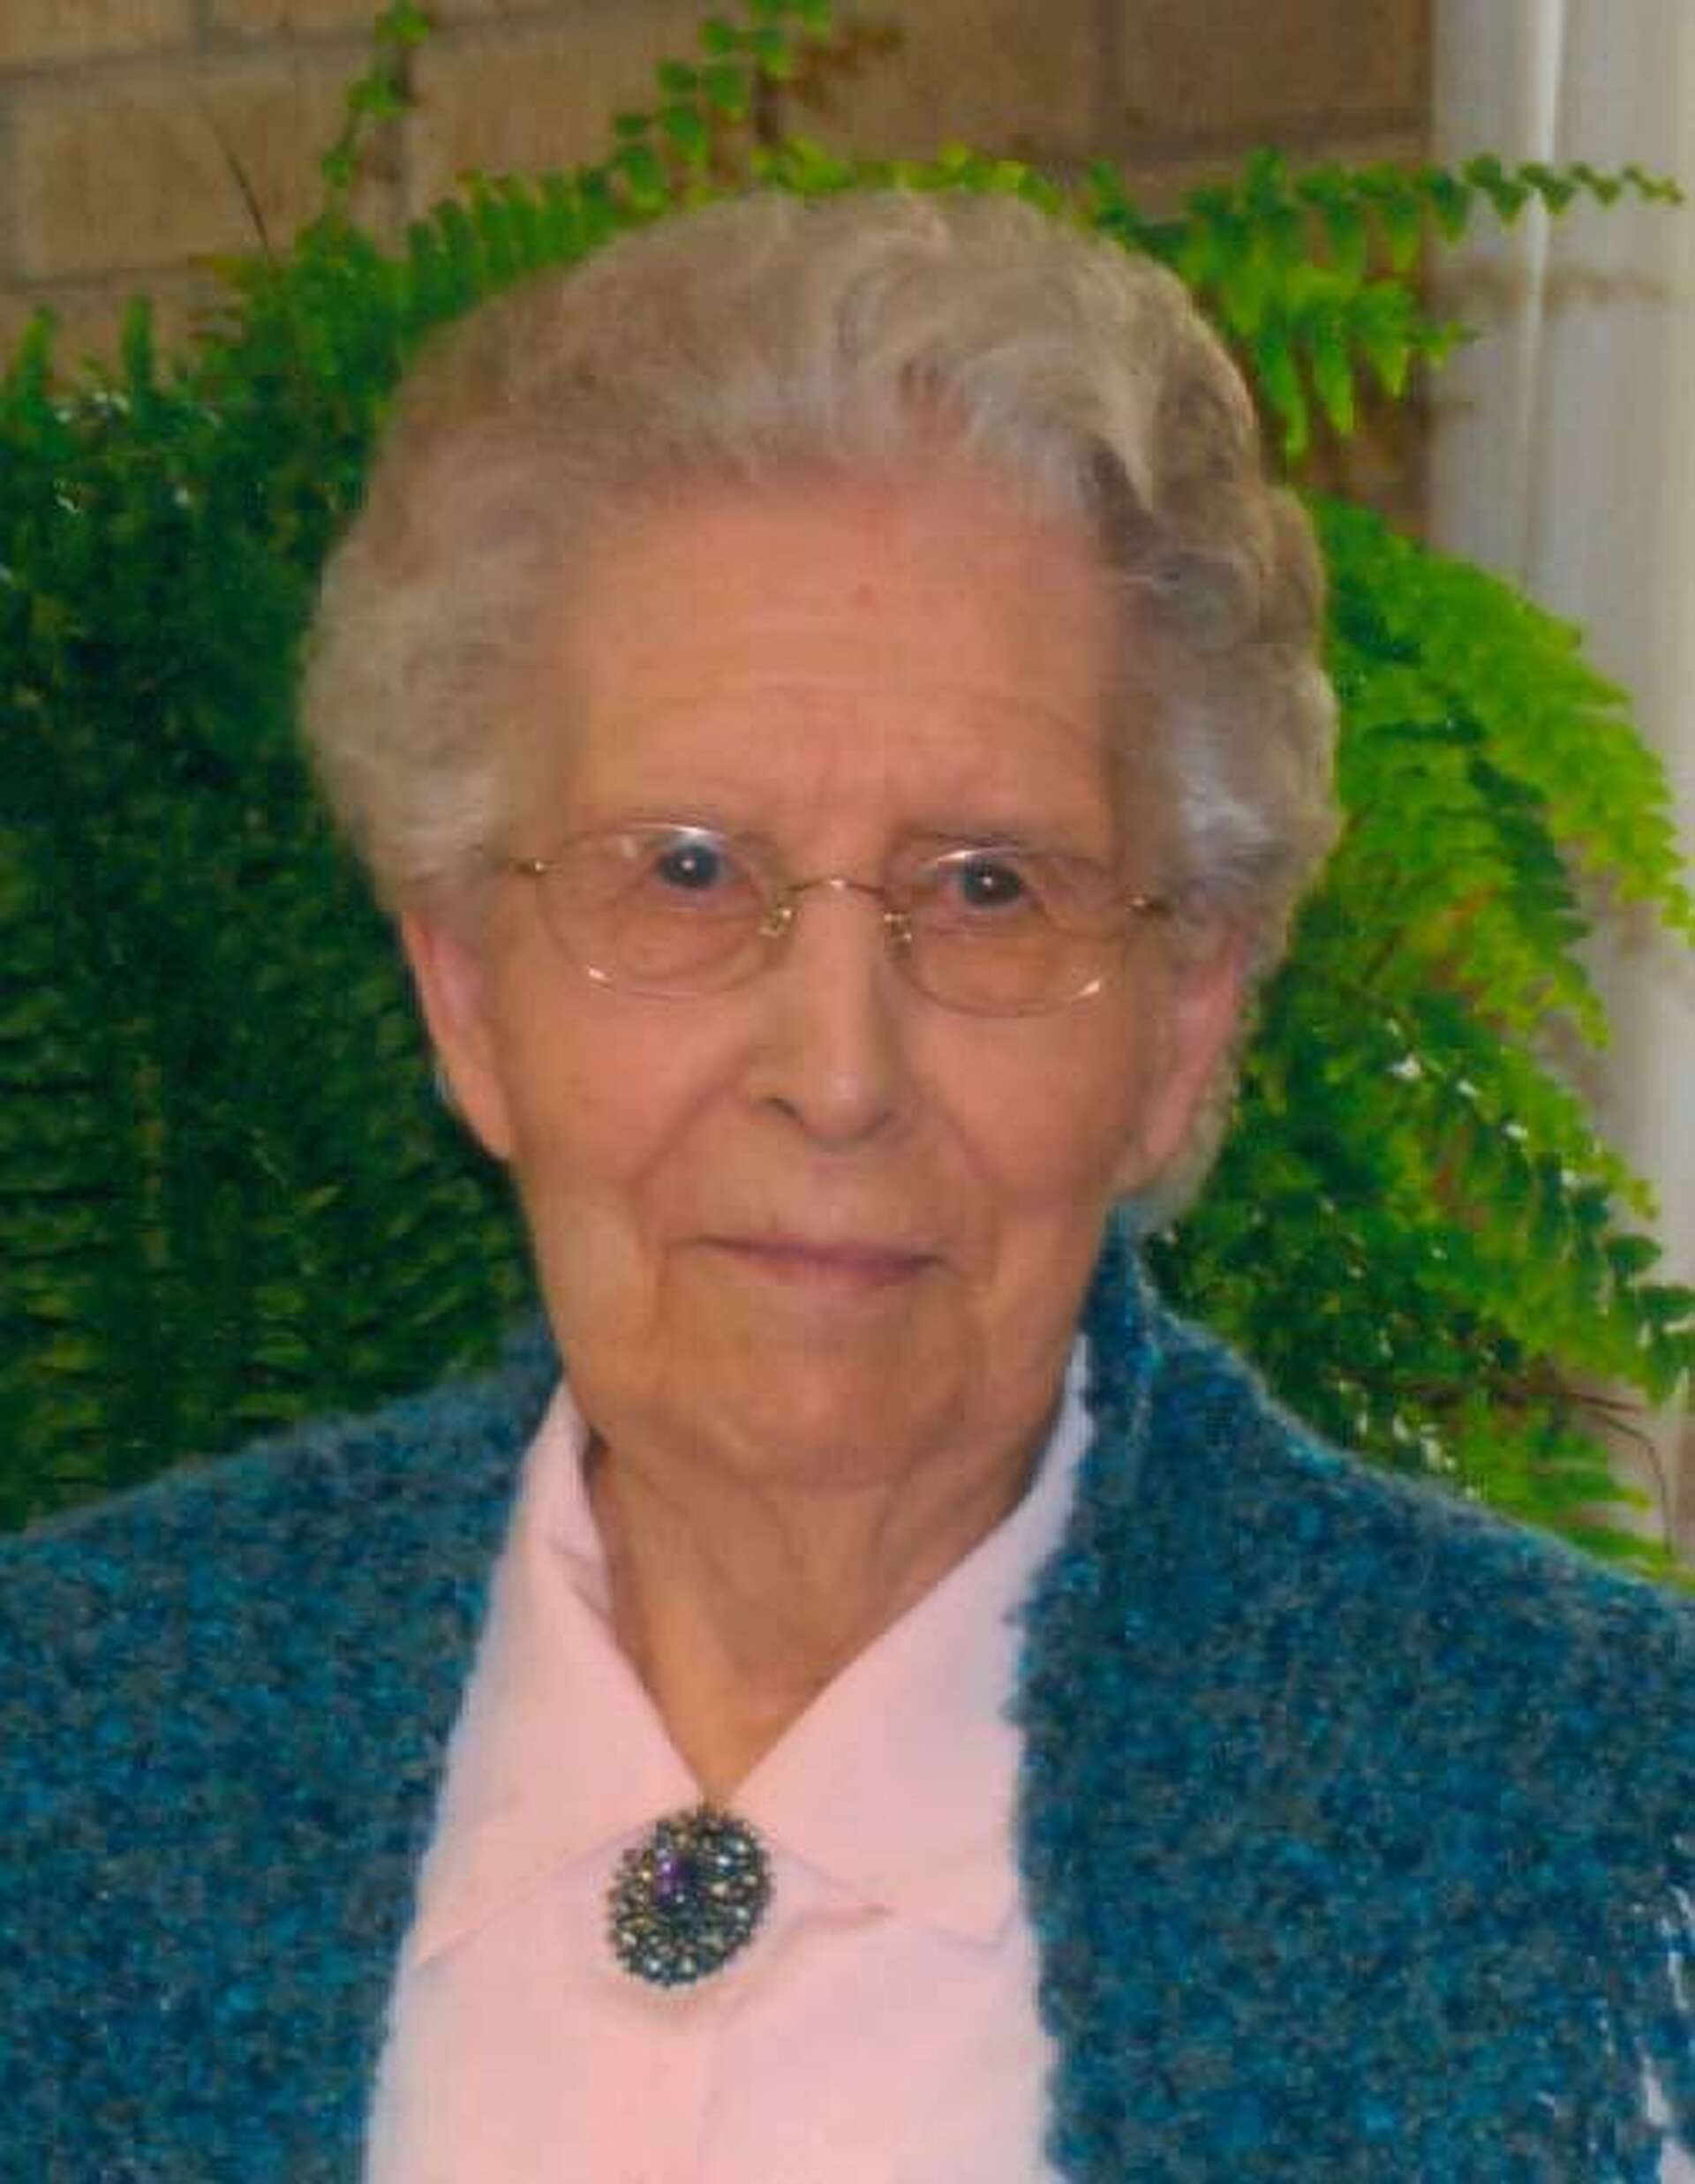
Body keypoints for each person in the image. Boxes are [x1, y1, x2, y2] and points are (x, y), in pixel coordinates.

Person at [3, 189, 1691, 2184]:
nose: (836, 1072)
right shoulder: (62, 1763)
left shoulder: (1603, 1858)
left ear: (1184, 1024)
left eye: (989, 888)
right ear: (464, 994)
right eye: (684, 871)